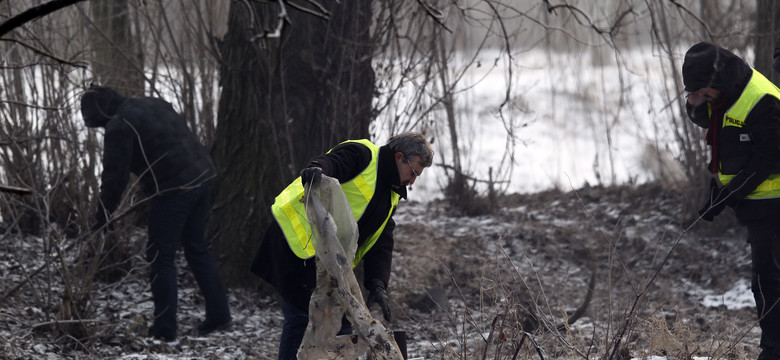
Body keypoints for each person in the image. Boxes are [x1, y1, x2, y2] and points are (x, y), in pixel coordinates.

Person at [250, 132, 434, 359]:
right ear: (399, 157)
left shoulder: (390, 192)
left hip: (326, 261)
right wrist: (316, 169)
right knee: (301, 319)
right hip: (296, 246)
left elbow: (381, 239)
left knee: (340, 327)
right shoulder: (363, 154)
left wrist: (377, 282)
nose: (413, 181)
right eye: (414, 172)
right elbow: (333, 162)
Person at [80, 85, 232, 343]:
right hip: (203, 175)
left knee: (159, 257)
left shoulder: (119, 126)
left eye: (99, 126)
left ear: (102, 115)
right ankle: (219, 315)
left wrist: (101, 218)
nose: (102, 131)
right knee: (196, 247)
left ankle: (165, 329)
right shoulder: (151, 102)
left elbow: (113, 180)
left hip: (175, 188)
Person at [682, 42, 780, 360]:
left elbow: (768, 158)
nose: (703, 98)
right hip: (759, 206)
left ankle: (773, 351)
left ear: (716, 81)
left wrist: (728, 194)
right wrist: (695, 101)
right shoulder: (724, 92)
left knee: (769, 284)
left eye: (702, 91)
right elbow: (713, 123)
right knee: (767, 282)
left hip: (774, 205)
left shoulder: (762, 100)